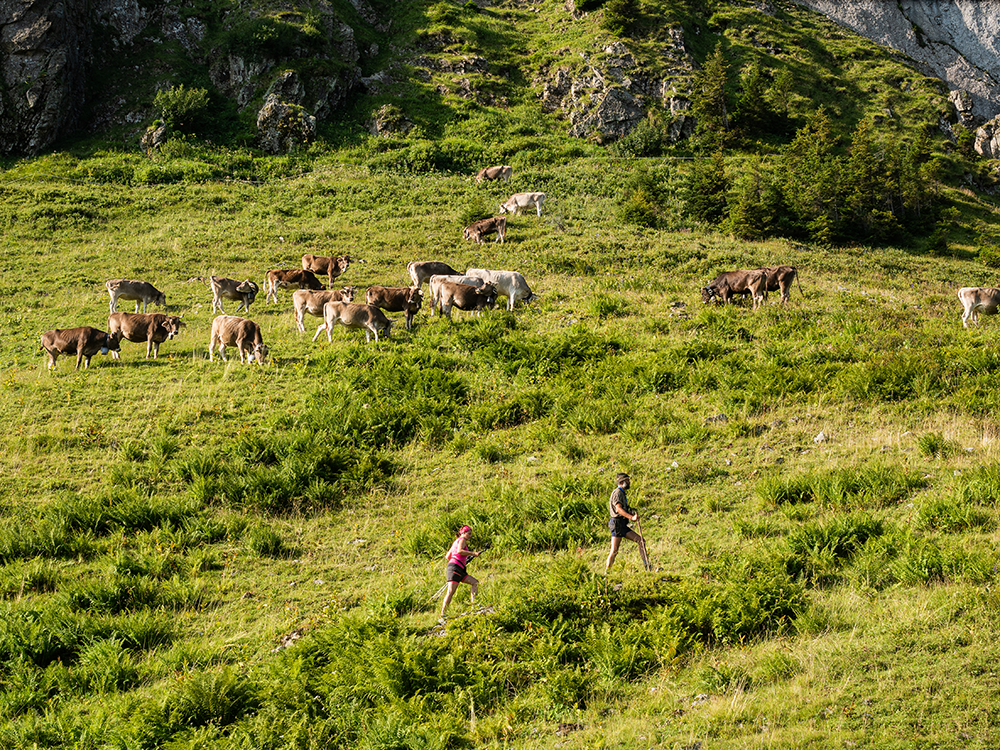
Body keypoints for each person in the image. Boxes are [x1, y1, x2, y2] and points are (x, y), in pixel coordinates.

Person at [605, 472, 650, 573]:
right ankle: (607, 572)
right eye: (627, 480)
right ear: (622, 482)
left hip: (622, 523)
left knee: (641, 541)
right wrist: (631, 517)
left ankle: (647, 565)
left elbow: (622, 509)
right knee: (614, 550)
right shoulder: (617, 493)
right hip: (617, 524)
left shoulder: (621, 493)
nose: (629, 482)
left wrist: (629, 512)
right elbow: (618, 509)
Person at [440, 525, 481, 619]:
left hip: (458, 568)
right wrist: (473, 553)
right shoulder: (462, 540)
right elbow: (459, 551)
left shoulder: (455, 542)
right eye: (469, 534)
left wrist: (459, 560)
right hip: (455, 568)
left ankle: (473, 605)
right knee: (451, 591)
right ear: (463, 533)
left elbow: (447, 556)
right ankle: (443, 613)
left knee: (474, 582)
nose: (470, 536)